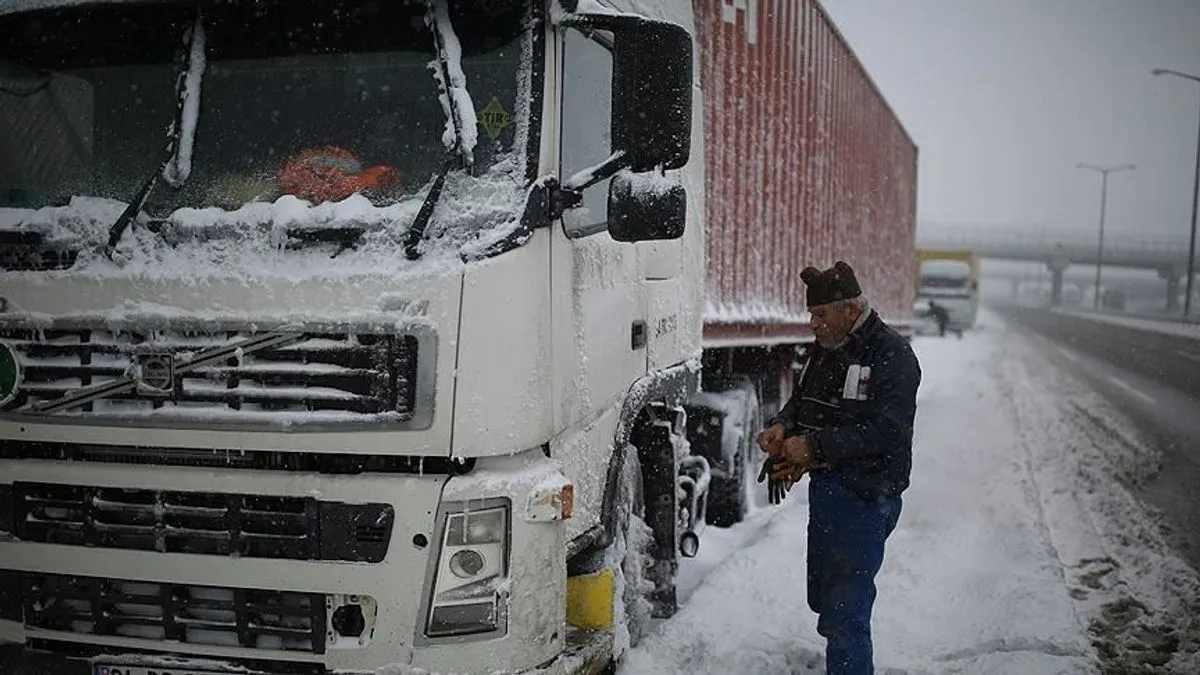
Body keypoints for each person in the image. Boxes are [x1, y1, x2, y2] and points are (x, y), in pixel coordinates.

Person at [756, 261, 921, 675]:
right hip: (828, 492)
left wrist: (812, 446)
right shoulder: (828, 349)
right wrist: (783, 426)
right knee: (825, 600)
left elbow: (886, 432)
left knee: (847, 609)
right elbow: (806, 400)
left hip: (867, 496)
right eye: (812, 314)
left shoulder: (893, 356)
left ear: (850, 311)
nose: (812, 323)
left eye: (820, 314)